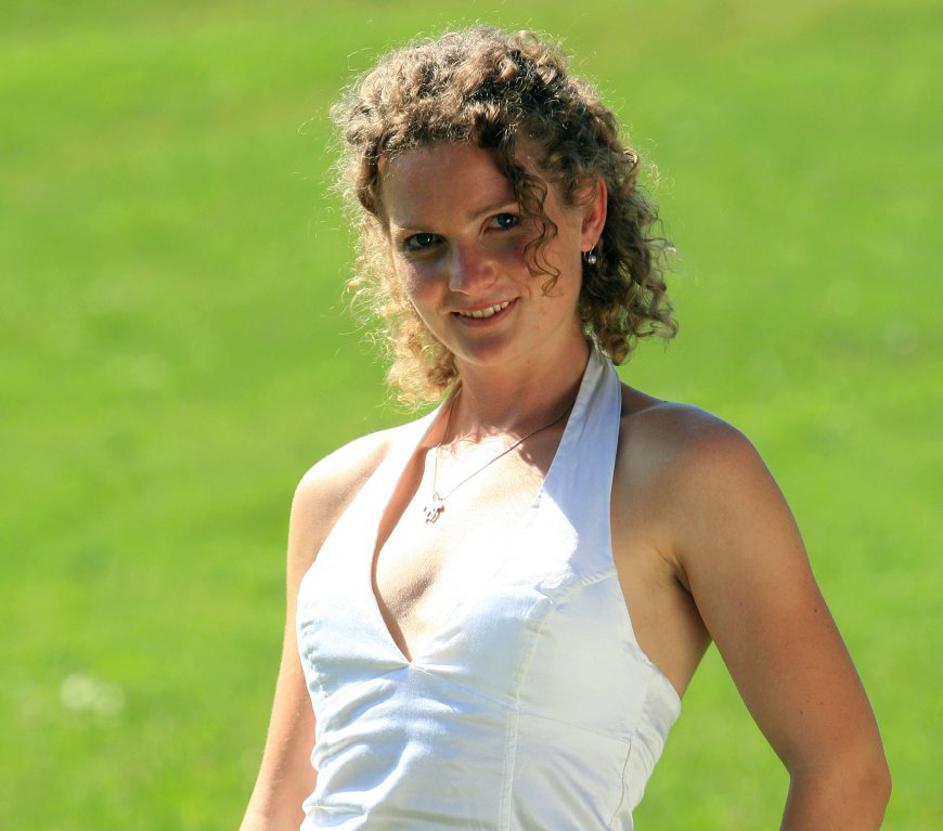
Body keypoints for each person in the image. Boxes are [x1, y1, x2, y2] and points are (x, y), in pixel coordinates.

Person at [240, 25, 891, 831]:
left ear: (587, 212)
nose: (467, 275)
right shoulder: (335, 494)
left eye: (503, 222)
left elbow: (843, 769)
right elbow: (278, 806)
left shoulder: (682, 471)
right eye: (424, 243)